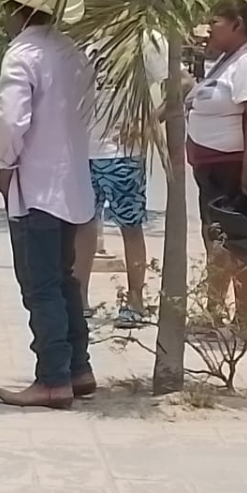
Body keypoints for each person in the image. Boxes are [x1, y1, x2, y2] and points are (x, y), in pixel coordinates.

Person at [0, 0, 96, 410]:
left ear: (18, 9)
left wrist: (4, 162)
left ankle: (51, 378)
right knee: (65, 280)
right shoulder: (73, 52)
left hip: (35, 186)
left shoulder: (22, 55)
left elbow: (11, 120)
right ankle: (78, 367)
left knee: (40, 285)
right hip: (72, 184)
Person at [186, 0, 247, 332]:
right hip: (212, 168)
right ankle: (213, 312)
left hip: (235, 168)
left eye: (216, 23)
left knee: (236, 245)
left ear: (237, 23)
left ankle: (242, 322)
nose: (209, 29)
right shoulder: (226, 60)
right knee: (216, 242)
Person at [74, 32, 169, 329]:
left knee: (130, 225)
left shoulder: (144, 38)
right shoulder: (86, 41)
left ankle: (136, 300)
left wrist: (148, 121)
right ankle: (80, 300)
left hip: (123, 151)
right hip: (85, 149)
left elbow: (180, 86)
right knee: (84, 223)